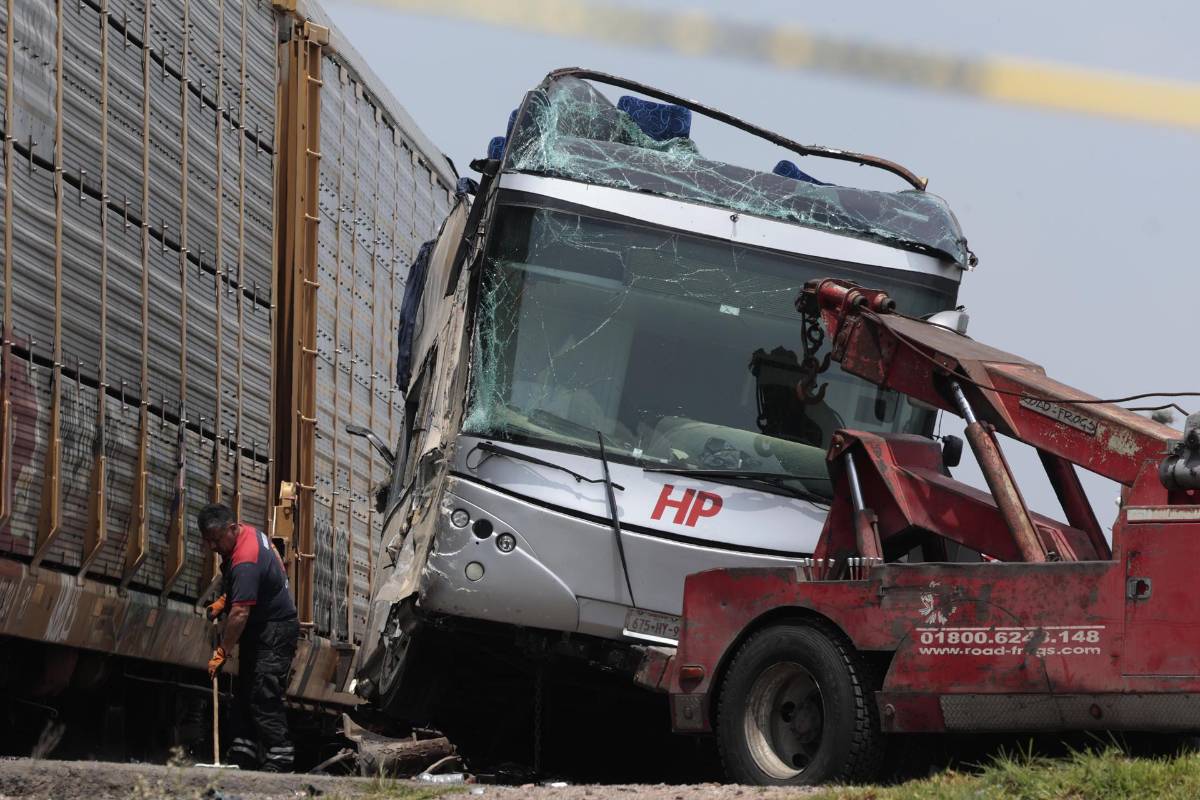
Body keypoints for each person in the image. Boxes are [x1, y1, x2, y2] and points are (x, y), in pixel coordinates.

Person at [199, 503, 300, 772]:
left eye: (216, 539)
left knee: (263, 693)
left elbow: (240, 614)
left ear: (232, 528)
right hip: (263, 627)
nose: (213, 547)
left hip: (274, 630)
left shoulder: (245, 558)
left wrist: (222, 652)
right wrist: (225, 599)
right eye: (208, 541)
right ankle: (243, 754)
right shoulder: (250, 534)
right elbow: (258, 582)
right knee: (245, 692)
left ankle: (280, 758)